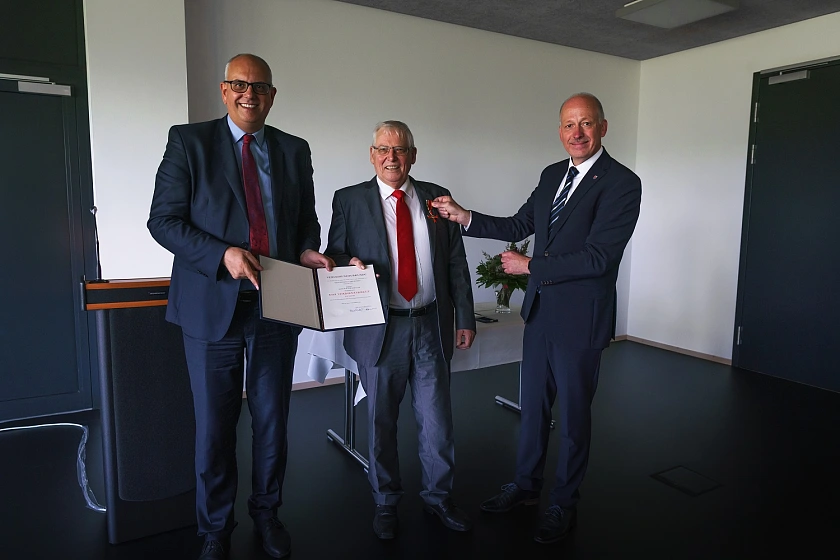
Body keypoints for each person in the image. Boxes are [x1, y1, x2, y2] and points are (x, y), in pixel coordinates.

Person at [432, 93, 642, 544]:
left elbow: (600, 257)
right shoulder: (552, 175)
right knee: (533, 410)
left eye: (586, 124)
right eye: (569, 125)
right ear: (560, 130)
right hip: (542, 314)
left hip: (581, 319)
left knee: (573, 418)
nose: (577, 134)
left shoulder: (623, 183)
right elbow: (517, 224)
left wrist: (531, 268)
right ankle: (526, 486)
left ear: (603, 127)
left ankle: (564, 502)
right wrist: (463, 216)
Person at [148, 53, 333, 560]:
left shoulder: (295, 150)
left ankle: (267, 514)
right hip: (212, 303)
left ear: (272, 96)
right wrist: (222, 253)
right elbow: (163, 221)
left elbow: (305, 221)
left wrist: (305, 250)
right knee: (214, 425)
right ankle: (214, 528)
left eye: (260, 87)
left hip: (281, 298)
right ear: (225, 90)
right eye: (240, 85)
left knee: (274, 419)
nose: (250, 93)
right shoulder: (189, 142)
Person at [325, 120, 477, 539]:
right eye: (383, 149)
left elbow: (454, 263)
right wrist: (345, 264)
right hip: (380, 329)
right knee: (380, 423)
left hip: (431, 323)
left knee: (437, 422)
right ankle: (386, 501)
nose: (391, 157)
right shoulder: (350, 200)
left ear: (413, 154)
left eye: (400, 149)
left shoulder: (434, 198)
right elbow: (331, 254)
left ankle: (438, 498)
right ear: (372, 155)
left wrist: (464, 316)